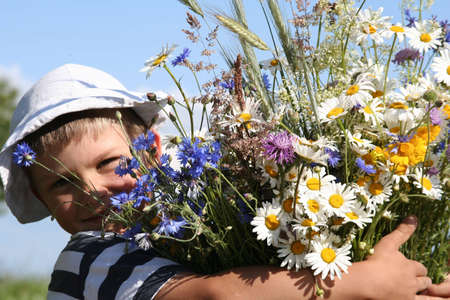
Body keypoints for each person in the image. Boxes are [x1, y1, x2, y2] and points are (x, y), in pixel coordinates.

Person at [0, 63, 448, 300]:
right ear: (39, 196)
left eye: (109, 163)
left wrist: (417, 284)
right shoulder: (90, 257)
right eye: (61, 185)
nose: (91, 192)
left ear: (153, 151)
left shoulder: (187, 224)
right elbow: (213, 296)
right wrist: (363, 282)